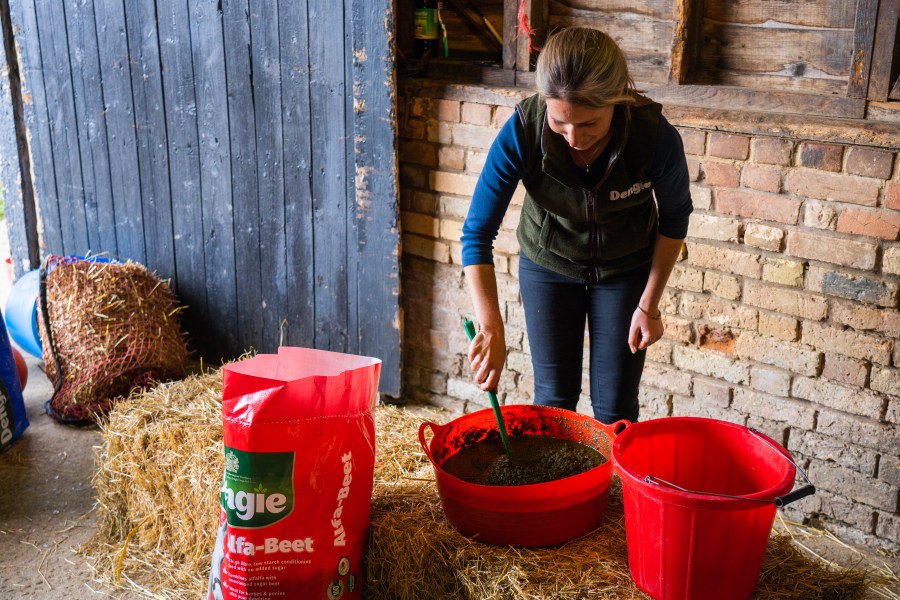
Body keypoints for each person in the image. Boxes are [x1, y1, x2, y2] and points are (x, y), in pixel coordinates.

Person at [461, 27, 693, 424]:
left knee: (616, 407)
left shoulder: (652, 136)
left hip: (626, 268)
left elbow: (675, 221)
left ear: (617, 101)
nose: (573, 138)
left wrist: (648, 306)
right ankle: (559, 488)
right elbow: (477, 235)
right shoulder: (523, 130)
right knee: (553, 400)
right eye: (560, 122)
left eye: (589, 124)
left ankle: (613, 487)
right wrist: (491, 328)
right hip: (549, 264)